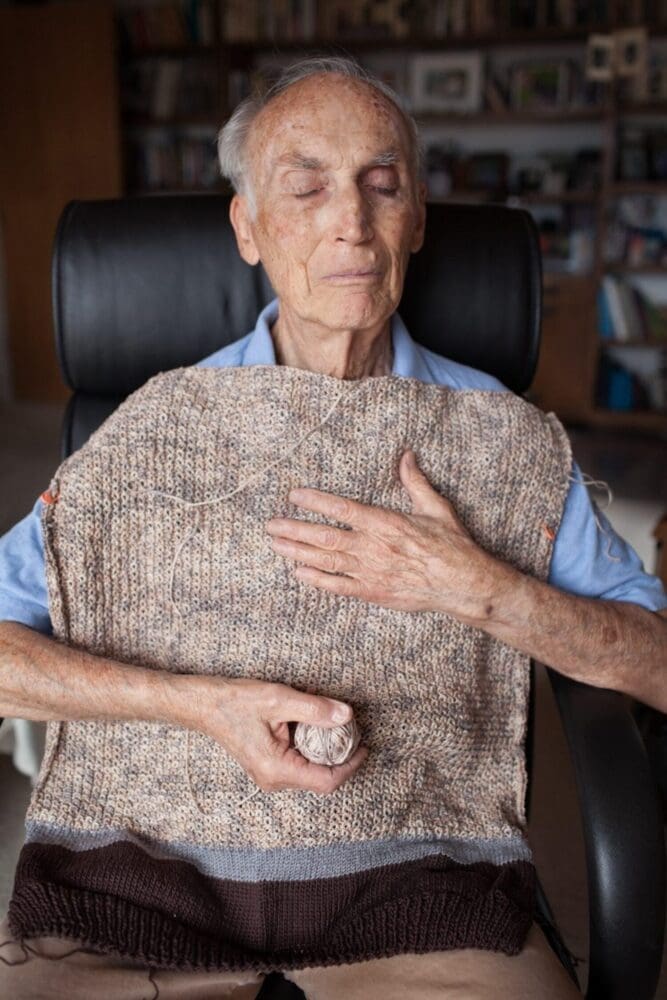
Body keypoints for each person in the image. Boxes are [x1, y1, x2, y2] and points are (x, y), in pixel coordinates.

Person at [0, 57, 665, 1000]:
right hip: (136, 889)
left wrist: (476, 588)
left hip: (421, 895)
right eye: (305, 187)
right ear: (247, 227)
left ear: (417, 218)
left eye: (381, 185)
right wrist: (197, 704)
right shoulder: (152, 430)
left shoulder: (505, 444)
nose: (350, 222)